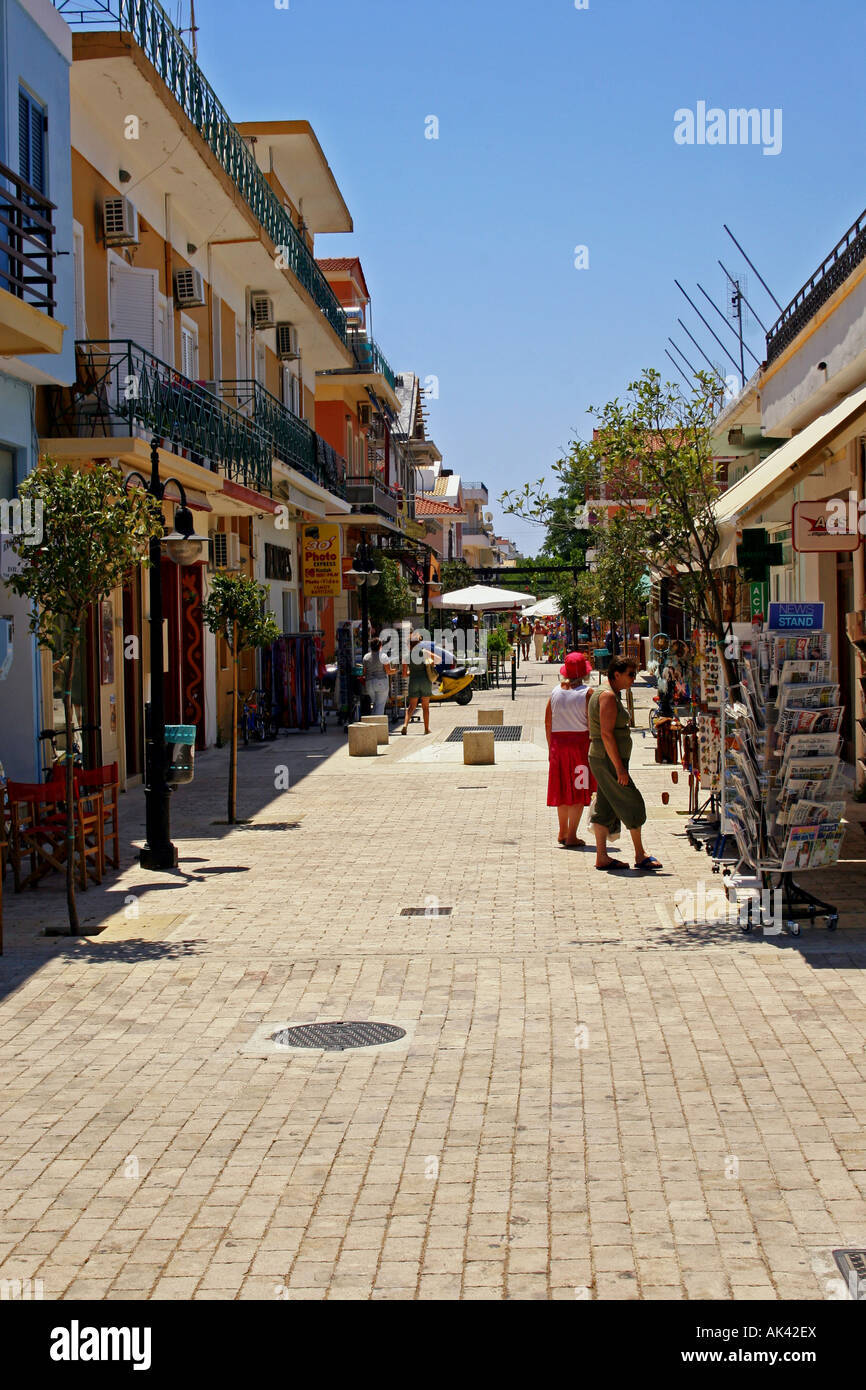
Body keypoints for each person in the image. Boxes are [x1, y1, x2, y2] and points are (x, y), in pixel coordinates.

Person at [587, 654, 661, 871]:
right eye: (630, 674)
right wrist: (619, 768)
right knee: (631, 800)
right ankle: (640, 853)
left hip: (604, 757)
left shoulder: (603, 692)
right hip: (608, 759)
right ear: (616, 674)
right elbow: (606, 734)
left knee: (605, 804)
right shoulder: (608, 696)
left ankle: (602, 856)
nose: (633, 678)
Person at [545, 651, 595, 846]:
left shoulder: (555, 691)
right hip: (579, 746)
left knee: (563, 789)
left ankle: (563, 830)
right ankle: (572, 835)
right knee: (577, 789)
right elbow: (592, 723)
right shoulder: (587, 693)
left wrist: (551, 748)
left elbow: (548, 722)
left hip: (558, 745)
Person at [401, 631, 434, 735]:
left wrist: (412, 671)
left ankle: (405, 725)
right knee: (425, 707)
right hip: (425, 681)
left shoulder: (406, 656)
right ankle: (426, 729)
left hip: (414, 681)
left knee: (411, 706)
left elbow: (405, 674)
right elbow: (435, 660)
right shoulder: (424, 652)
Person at [362, 637, 395, 717]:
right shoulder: (383, 656)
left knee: (376, 704)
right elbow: (388, 671)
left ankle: (373, 725)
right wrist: (396, 670)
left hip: (369, 683)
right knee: (380, 706)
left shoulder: (366, 657)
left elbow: (364, 672)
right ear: (380, 646)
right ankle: (377, 726)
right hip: (381, 682)